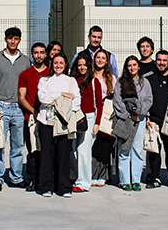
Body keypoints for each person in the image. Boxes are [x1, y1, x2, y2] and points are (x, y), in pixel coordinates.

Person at [0, 27, 31, 190]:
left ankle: (16, 177)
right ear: (5, 39)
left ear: (20, 40)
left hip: (18, 109)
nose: (13, 41)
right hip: (1, 107)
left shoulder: (25, 61)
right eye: (10, 38)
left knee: (18, 146)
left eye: (16, 38)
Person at [35, 53, 81, 197]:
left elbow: (76, 101)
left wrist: (57, 101)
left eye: (61, 63)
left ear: (66, 64)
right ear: (51, 64)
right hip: (46, 120)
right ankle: (46, 187)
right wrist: (64, 96)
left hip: (64, 121)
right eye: (55, 63)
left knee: (64, 154)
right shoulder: (44, 80)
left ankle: (64, 187)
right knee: (46, 154)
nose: (58, 65)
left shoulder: (71, 81)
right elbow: (43, 98)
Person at [114, 56, 153, 191]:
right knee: (124, 150)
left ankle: (136, 179)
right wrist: (129, 116)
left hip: (140, 120)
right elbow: (117, 101)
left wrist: (139, 112)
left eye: (134, 65)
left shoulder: (145, 82)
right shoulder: (120, 82)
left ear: (138, 66)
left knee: (137, 150)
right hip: (125, 120)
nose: (132, 68)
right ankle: (124, 180)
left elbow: (149, 100)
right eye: (129, 65)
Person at [145, 49, 168, 188]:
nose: (162, 63)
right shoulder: (149, 80)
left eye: (164, 60)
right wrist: (147, 117)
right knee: (154, 151)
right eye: (159, 60)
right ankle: (154, 178)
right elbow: (145, 99)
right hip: (154, 121)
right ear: (155, 61)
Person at [18, 42, 49, 192]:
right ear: (32, 54)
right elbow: (22, 97)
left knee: (46, 150)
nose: (39, 55)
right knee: (32, 150)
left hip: (48, 117)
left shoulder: (51, 72)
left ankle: (45, 179)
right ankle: (32, 179)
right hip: (30, 118)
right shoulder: (25, 74)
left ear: (46, 54)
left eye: (41, 52)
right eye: (36, 52)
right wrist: (33, 111)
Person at [71, 52, 101, 192]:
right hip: (74, 117)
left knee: (83, 150)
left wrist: (97, 123)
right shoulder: (72, 80)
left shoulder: (94, 82)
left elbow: (99, 104)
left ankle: (83, 183)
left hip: (89, 118)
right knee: (73, 150)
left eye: (84, 65)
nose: (82, 67)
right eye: (79, 65)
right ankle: (74, 178)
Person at [90, 49, 116, 187]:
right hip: (92, 113)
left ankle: (103, 175)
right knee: (93, 146)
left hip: (105, 114)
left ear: (107, 61)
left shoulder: (111, 78)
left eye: (103, 58)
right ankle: (92, 174)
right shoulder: (89, 76)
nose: (100, 60)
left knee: (105, 145)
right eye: (98, 57)